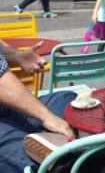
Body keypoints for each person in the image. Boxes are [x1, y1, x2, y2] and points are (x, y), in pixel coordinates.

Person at [0, 39, 76, 171]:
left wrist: (16, 55)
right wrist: (46, 117)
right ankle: (47, 154)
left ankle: (48, 146)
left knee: (67, 98)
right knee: (20, 152)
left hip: (8, 107)